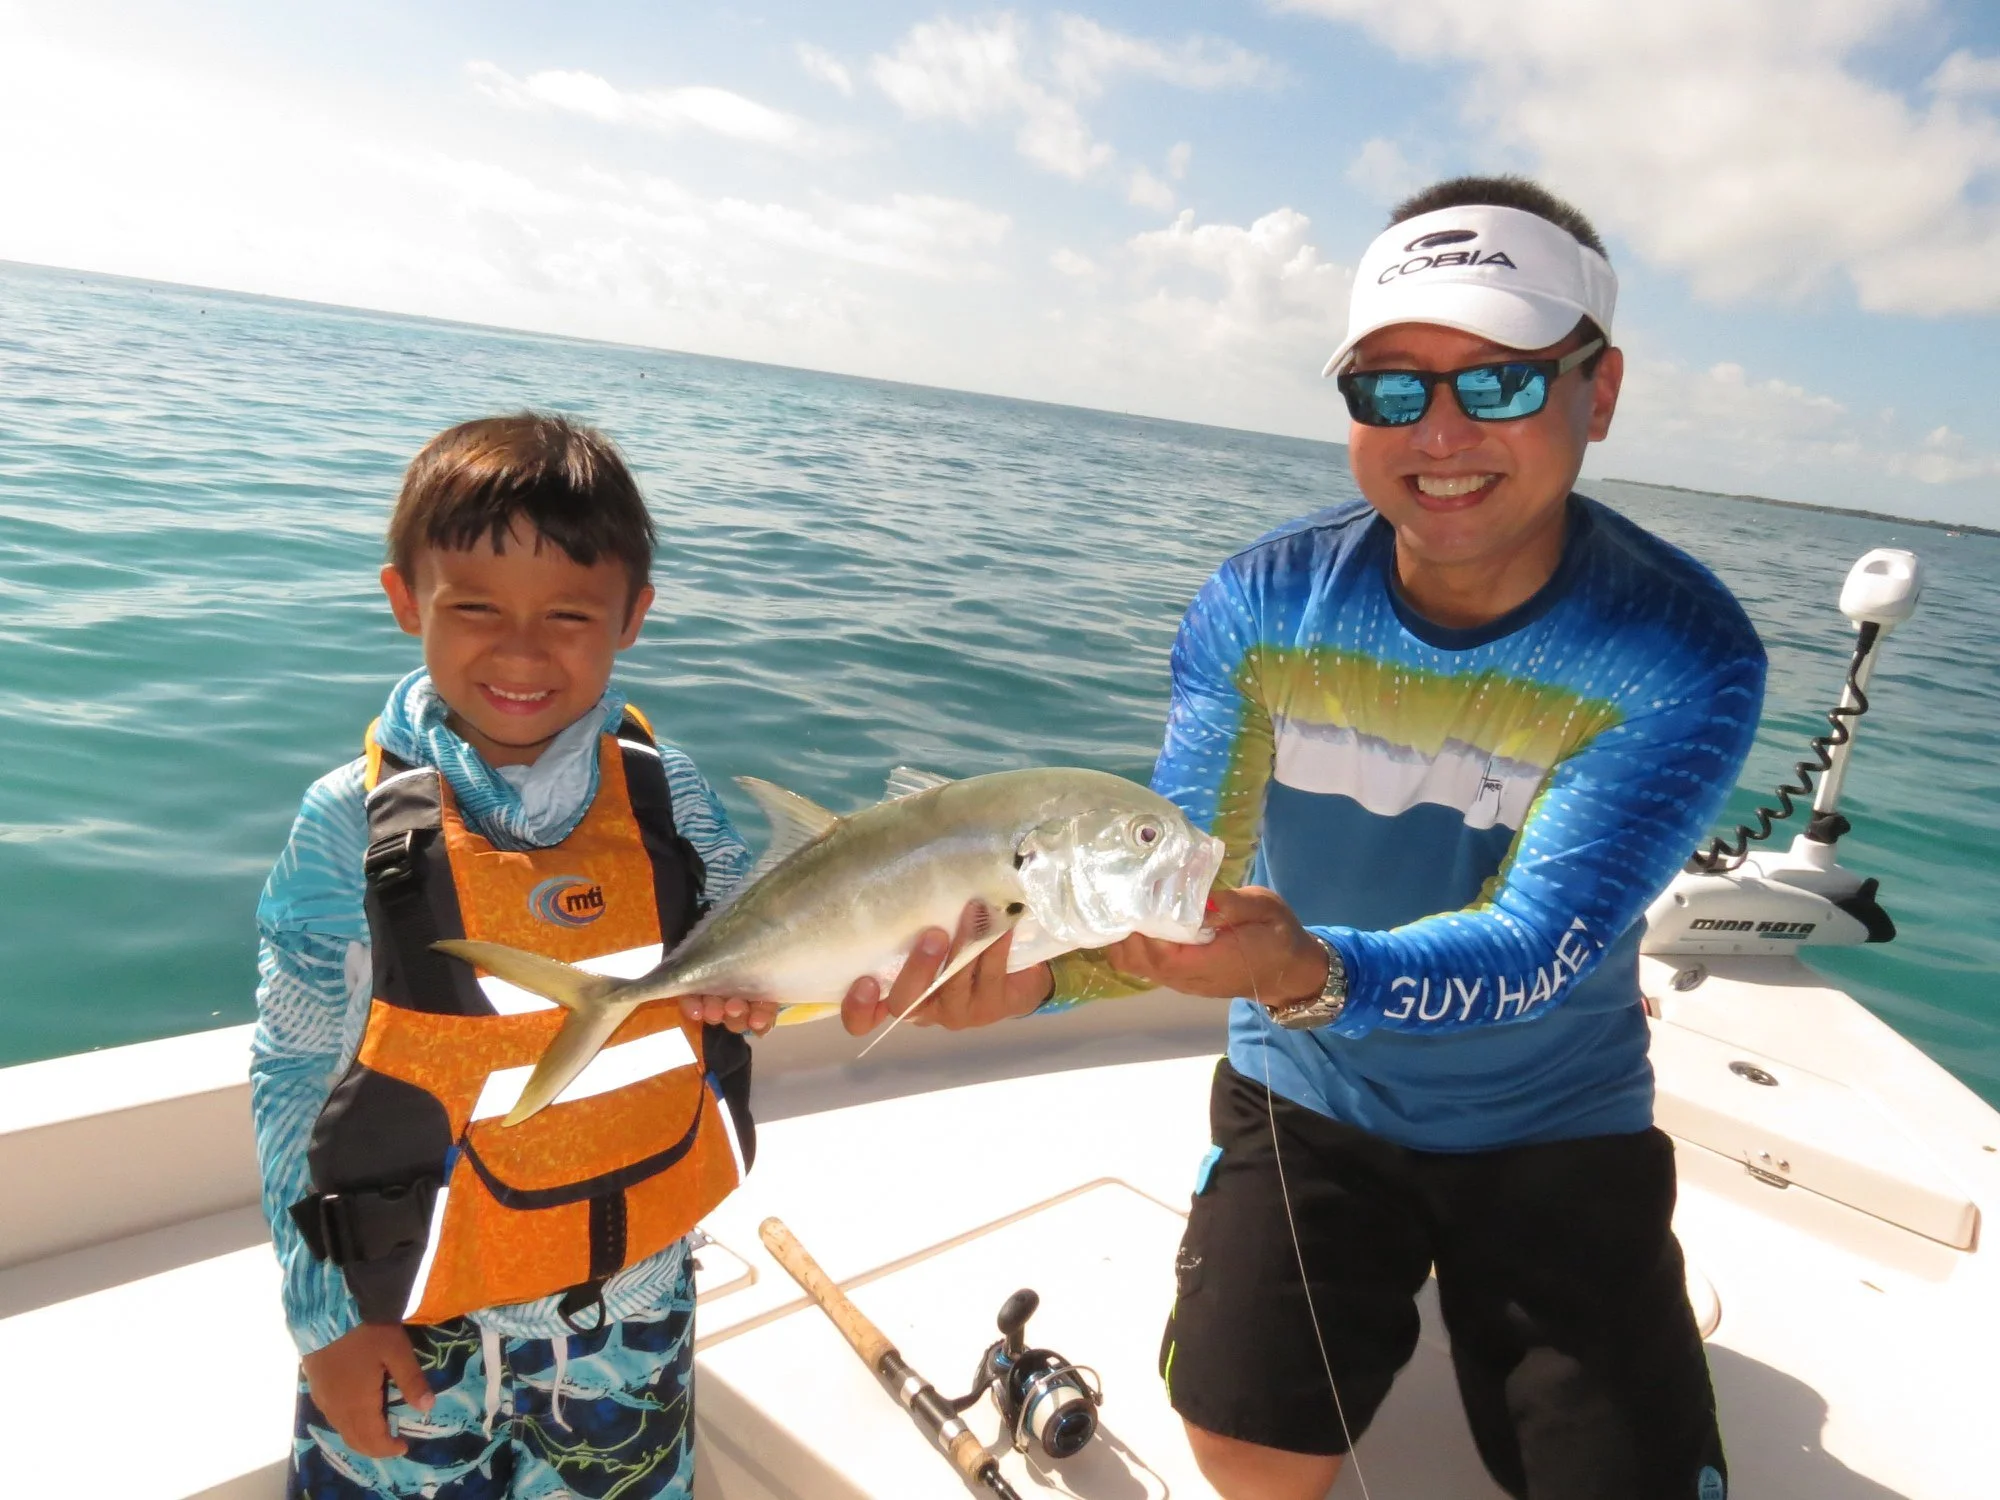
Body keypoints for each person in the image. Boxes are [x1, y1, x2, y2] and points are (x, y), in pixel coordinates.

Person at [844, 177, 1762, 1500]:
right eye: (1391, 389)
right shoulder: (1264, 603)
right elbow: (1174, 889)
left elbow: (1537, 948)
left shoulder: (1679, 647)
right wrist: (1034, 974)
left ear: (1597, 391)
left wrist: (1303, 971)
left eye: (1498, 382)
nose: (1439, 432)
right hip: (1312, 1098)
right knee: (1245, 1450)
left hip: (1555, 1113)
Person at [251, 413, 777, 1499]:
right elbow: (293, 1069)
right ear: (406, 600)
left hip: (632, 1317)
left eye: (570, 615)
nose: (523, 652)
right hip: (415, 1318)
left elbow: (763, 946)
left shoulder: (668, 797)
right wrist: (325, 1323)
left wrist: (761, 992)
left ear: (632, 616)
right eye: (475, 608)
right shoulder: (346, 821)